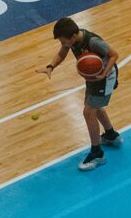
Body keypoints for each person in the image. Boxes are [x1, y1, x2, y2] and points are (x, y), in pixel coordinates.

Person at [40, 17, 120, 171]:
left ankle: (97, 154)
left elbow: (114, 54)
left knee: (88, 111)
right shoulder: (72, 40)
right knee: (94, 108)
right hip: (94, 77)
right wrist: (51, 66)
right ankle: (111, 135)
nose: (63, 44)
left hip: (105, 77)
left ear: (73, 36)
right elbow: (61, 54)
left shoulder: (93, 42)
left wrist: (104, 73)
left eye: (63, 41)